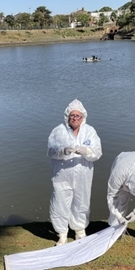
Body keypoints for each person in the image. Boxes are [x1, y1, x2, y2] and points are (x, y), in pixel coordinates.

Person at [47, 99, 102, 246]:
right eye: (72, 115)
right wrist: (62, 151)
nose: (75, 118)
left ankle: (79, 231)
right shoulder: (58, 131)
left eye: (78, 116)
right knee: (60, 203)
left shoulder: (90, 131)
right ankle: (62, 234)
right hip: (62, 176)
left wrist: (86, 151)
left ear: (83, 117)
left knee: (81, 202)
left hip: (83, 175)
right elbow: (51, 151)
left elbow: (97, 153)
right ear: (67, 117)